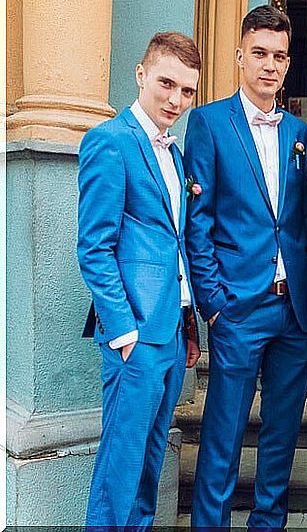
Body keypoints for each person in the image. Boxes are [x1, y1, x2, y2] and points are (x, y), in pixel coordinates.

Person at [184, 5, 307, 529]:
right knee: (222, 438)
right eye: (260, 53)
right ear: (240, 56)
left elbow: (305, 224)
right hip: (238, 307)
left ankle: (269, 524)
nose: (270, 65)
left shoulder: (301, 132)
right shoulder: (208, 122)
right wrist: (214, 304)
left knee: (281, 437)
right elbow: (198, 220)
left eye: (280, 56)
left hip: (295, 312)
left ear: (288, 65)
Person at [77, 31, 202, 527]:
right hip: (135, 335)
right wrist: (124, 332)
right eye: (167, 84)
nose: (176, 100)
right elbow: (94, 248)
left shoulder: (175, 153)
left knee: (151, 463)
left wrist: (188, 323)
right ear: (141, 75)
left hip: (171, 332)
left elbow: (174, 244)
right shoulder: (110, 141)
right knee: (121, 465)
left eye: (187, 91)